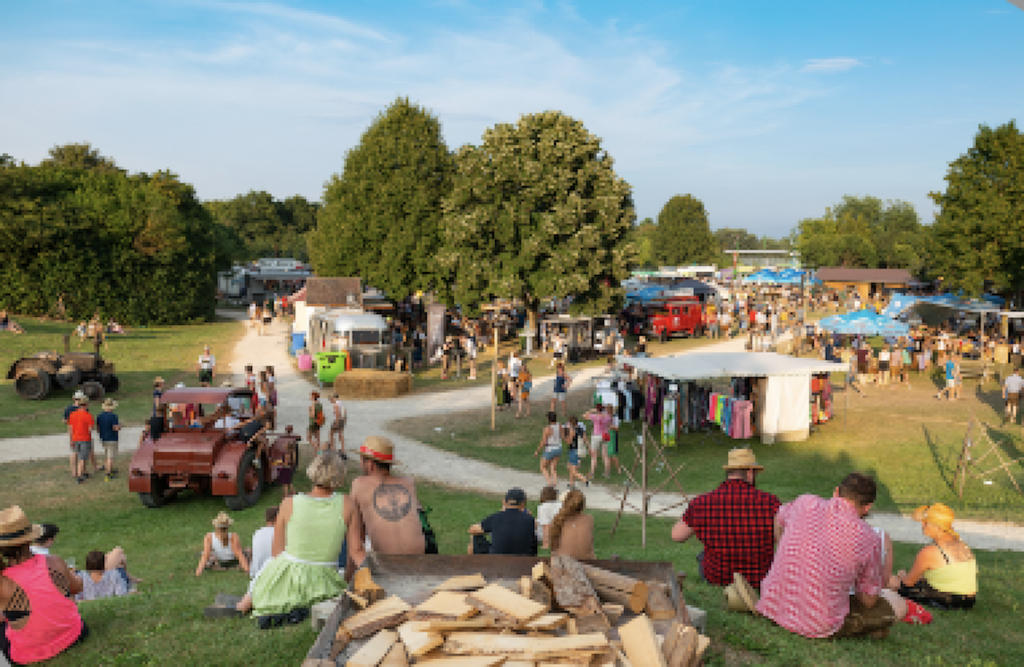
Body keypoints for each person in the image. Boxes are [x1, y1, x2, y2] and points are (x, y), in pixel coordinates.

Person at [756, 473, 922, 640]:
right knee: (898, 603)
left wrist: (783, 555)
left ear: (836, 492)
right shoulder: (868, 537)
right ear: (867, 507)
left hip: (771, 606)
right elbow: (868, 600)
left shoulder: (805, 502)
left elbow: (778, 517)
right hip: (817, 623)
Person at [231, 452, 354, 627]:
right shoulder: (347, 504)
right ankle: (299, 605)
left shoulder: (289, 503)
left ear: (313, 471)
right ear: (340, 476)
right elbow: (354, 551)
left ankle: (245, 603)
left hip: (293, 576)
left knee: (268, 566)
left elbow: (277, 552)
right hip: (326, 580)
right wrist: (349, 583)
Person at [671, 448, 780, 588]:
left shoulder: (702, 502)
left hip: (717, 577)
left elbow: (677, 535)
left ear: (729, 473)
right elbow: (781, 540)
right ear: (750, 473)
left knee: (703, 555)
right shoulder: (770, 503)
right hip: (759, 579)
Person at [0, 506, 87, 664]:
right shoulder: (55, 561)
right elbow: (78, 587)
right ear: (30, 539)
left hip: (28, 655)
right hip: (74, 635)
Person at [347, 437, 427, 573]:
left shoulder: (359, 484)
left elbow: (356, 543)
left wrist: (348, 579)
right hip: (419, 564)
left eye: (362, 460)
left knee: (348, 533)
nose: (360, 464)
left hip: (387, 566)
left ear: (370, 464)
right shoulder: (409, 483)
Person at [889, 503, 977, 610]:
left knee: (890, 580)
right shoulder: (962, 544)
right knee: (916, 580)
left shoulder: (930, 551)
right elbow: (946, 574)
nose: (923, 524)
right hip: (969, 600)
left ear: (939, 526)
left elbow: (908, 584)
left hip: (948, 600)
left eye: (926, 522)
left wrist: (903, 576)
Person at [468, 488, 537, 556]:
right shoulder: (530, 519)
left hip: (497, 559)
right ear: (523, 504)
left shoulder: (496, 517)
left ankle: (472, 563)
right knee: (533, 537)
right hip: (523, 559)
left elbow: (472, 529)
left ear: (504, 502)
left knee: (474, 536)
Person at [549, 489, 594, 559]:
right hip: (587, 563)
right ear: (583, 505)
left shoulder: (559, 519)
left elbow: (553, 547)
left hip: (563, 563)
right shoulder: (588, 519)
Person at [249, 506, 279, 587]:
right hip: (274, 576)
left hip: (256, 575)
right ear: (276, 518)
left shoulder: (257, 532)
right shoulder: (282, 533)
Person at [68, 397, 95, 484]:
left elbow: (70, 428)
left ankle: (84, 472)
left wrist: (71, 439)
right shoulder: (88, 415)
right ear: (86, 405)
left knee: (78, 454)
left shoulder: (72, 414)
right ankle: (80, 477)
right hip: (85, 438)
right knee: (82, 458)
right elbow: (90, 428)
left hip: (75, 438)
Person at [582, 403, 612, 481]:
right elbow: (609, 423)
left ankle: (591, 474)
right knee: (605, 455)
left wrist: (590, 411)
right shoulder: (607, 416)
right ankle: (607, 472)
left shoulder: (594, 416)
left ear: (597, 409)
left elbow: (584, 416)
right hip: (605, 435)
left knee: (594, 456)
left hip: (596, 435)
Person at [534, 412, 562, 487]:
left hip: (550, 448)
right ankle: (555, 483)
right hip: (558, 447)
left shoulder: (547, 429)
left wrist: (537, 451)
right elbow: (562, 435)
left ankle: (550, 483)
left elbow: (543, 442)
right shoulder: (559, 426)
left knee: (543, 466)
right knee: (553, 468)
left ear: (549, 419)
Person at [96, 398, 121, 481]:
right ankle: (108, 474)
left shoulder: (100, 416)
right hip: (112, 438)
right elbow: (115, 428)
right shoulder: (113, 416)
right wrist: (120, 426)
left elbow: (98, 428)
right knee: (110, 457)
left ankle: (108, 468)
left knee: (107, 455)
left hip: (103, 438)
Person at [562, 414, 589, 489]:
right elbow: (585, 439)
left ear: (570, 422)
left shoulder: (572, 430)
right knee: (571, 467)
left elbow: (569, 442)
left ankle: (585, 479)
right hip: (580, 450)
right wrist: (589, 447)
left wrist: (563, 437)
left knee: (573, 471)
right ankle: (571, 484)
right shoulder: (580, 429)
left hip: (573, 450)